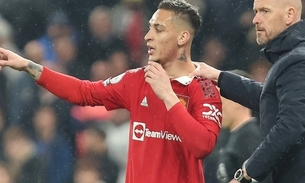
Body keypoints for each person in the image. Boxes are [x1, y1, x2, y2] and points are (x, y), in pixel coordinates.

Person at [0, 0, 223, 183]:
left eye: (158, 29)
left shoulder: (204, 87)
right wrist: (28, 66)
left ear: (182, 37)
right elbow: (82, 91)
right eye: (149, 27)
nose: (147, 36)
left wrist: (167, 95)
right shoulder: (136, 79)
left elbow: (203, 146)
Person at [189, 0, 305, 182]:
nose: (255, 19)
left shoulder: (297, 60)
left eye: (265, 11)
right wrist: (219, 76)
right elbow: (269, 99)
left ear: (289, 15)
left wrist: (246, 173)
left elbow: (290, 126)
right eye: (255, 11)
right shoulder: (291, 57)